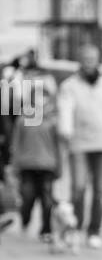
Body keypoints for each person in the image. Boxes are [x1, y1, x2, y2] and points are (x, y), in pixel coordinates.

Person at [57, 43, 102, 249]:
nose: (89, 62)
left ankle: (94, 230)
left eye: (92, 58)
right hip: (79, 143)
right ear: (79, 60)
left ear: (98, 60)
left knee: (100, 190)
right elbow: (65, 109)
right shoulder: (69, 85)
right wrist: (66, 130)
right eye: (85, 59)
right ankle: (75, 227)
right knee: (78, 188)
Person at [11, 53, 60, 240]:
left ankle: (46, 230)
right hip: (27, 165)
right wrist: (13, 166)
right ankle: (25, 220)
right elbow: (16, 144)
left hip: (47, 165)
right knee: (28, 198)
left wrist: (59, 167)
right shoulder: (23, 120)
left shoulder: (52, 121)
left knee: (48, 201)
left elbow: (58, 147)